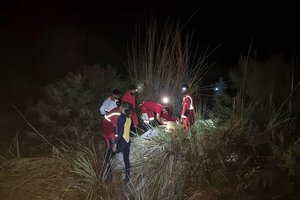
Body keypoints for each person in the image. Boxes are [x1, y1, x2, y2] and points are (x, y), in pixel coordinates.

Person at [99, 89, 121, 180]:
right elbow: (101, 110)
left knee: (110, 147)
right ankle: (109, 168)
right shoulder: (109, 102)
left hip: (106, 126)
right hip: (109, 126)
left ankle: (107, 160)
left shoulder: (115, 104)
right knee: (113, 146)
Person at [112, 102, 134, 182]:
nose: (119, 107)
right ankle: (127, 177)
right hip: (128, 141)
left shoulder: (120, 118)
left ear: (124, 108)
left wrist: (115, 143)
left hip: (122, 142)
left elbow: (121, 133)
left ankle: (108, 174)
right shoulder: (128, 118)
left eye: (121, 106)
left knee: (109, 154)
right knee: (126, 160)